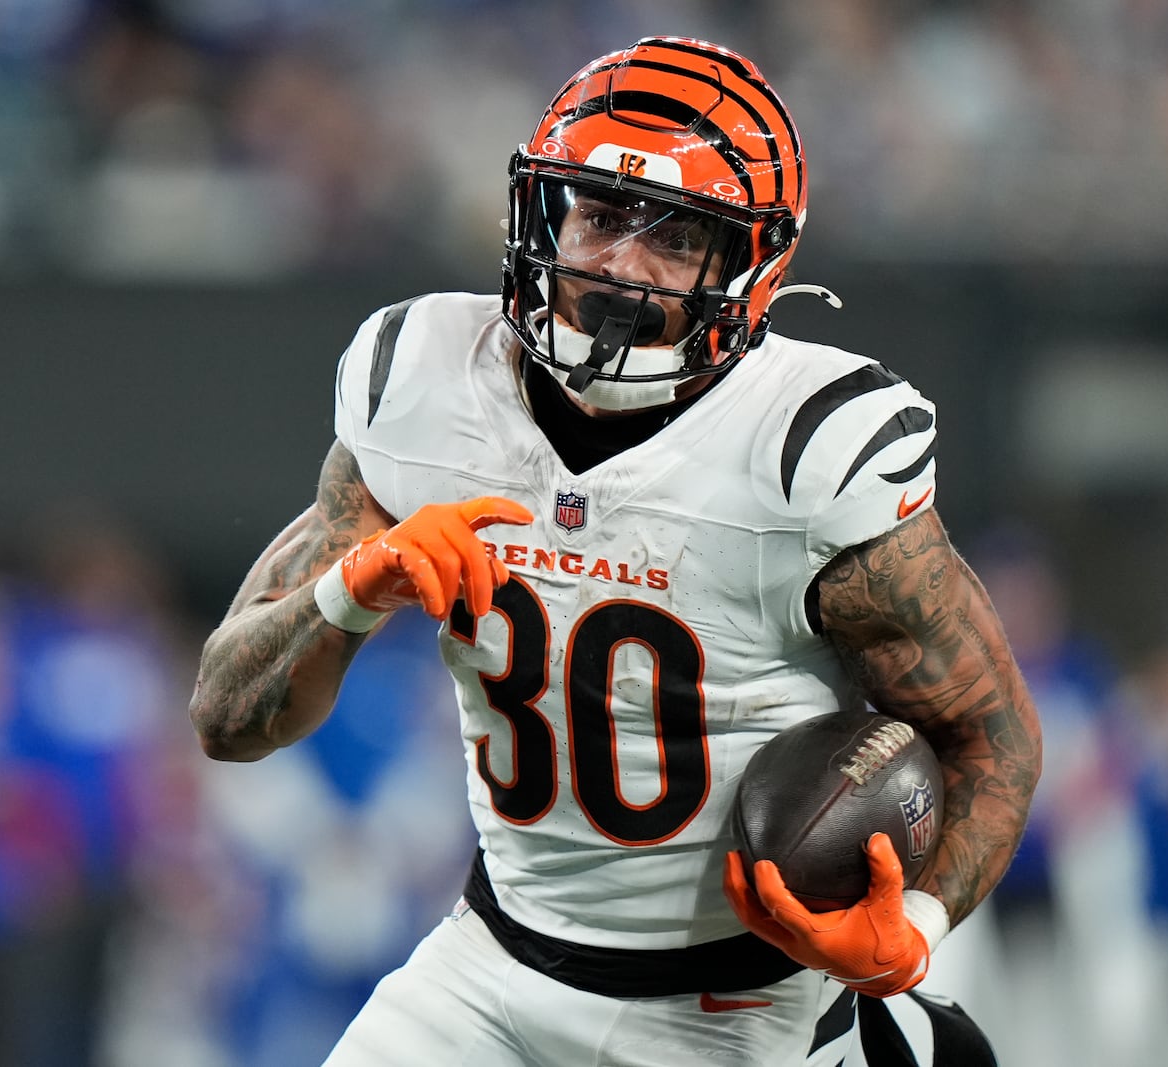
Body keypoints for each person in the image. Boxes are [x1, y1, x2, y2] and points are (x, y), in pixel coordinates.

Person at [189, 36, 1042, 1066]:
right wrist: (349, 591)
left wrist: (912, 926)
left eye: (675, 237)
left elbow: (989, 736)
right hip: (490, 971)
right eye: (596, 216)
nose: (617, 267)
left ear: (748, 265)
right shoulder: (420, 388)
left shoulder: (804, 451)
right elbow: (227, 718)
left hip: (742, 1006)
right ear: (542, 211)